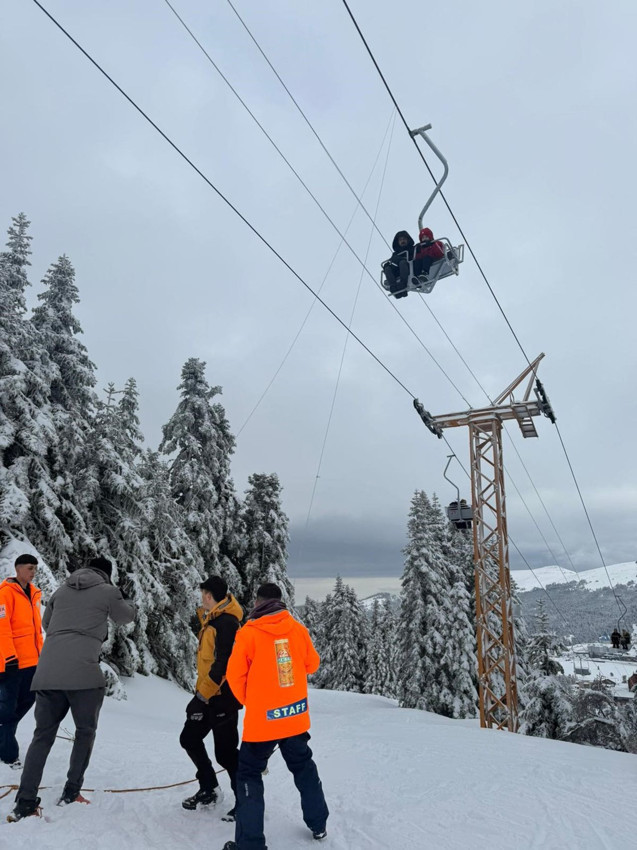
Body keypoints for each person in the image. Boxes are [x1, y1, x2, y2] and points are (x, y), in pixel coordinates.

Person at [8, 556, 135, 821]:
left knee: (42, 736)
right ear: (107, 574)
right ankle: (71, 792)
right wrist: (126, 599)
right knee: (85, 732)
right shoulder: (108, 591)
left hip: (47, 673)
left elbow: (46, 624)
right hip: (83, 674)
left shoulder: (61, 591)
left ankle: (25, 801)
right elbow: (125, 617)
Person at [223, 582, 328, 850]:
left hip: (263, 723)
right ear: (280, 602)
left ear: (257, 602)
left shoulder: (248, 634)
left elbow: (234, 676)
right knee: (304, 767)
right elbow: (312, 664)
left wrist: (253, 702)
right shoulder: (298, 629)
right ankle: (319, 825)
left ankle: (250, 844)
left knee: (248, 774)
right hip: (294, 716)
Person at [180, 576, 243, 819]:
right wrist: (202, 696)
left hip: (223, 698)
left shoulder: (226, 623)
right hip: (208, 695)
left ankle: (245, 802)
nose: (201, 599)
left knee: (226, 753)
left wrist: (201, 696)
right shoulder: (212, 620)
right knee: (189, 738)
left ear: (208, 595)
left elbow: (223, 666)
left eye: (202, 594)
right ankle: (209, 788)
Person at [0, 554, 42, 769]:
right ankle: (8, 755)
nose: (33, 572)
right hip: (11, 663)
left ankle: (3, 736)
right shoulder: (6, 593)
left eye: (35, 568)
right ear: (17, 569)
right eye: (29, 568)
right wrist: (9, 657)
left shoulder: (34, 594)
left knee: (26, 701)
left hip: (32, 662)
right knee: (8, 709)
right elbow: (2, 628)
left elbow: (36, 631)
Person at [382, 231, 415, 298]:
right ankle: (393, 287)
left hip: (409, 267)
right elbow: (393, 261)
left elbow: (415, 257)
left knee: (402, 262)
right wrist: (387, 265)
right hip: (398, 270)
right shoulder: (395, 253)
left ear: (407, 240)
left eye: (404, 239)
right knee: (387, 268)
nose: (402, 241)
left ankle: (403, 284)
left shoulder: (412, 249)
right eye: (400, 240)